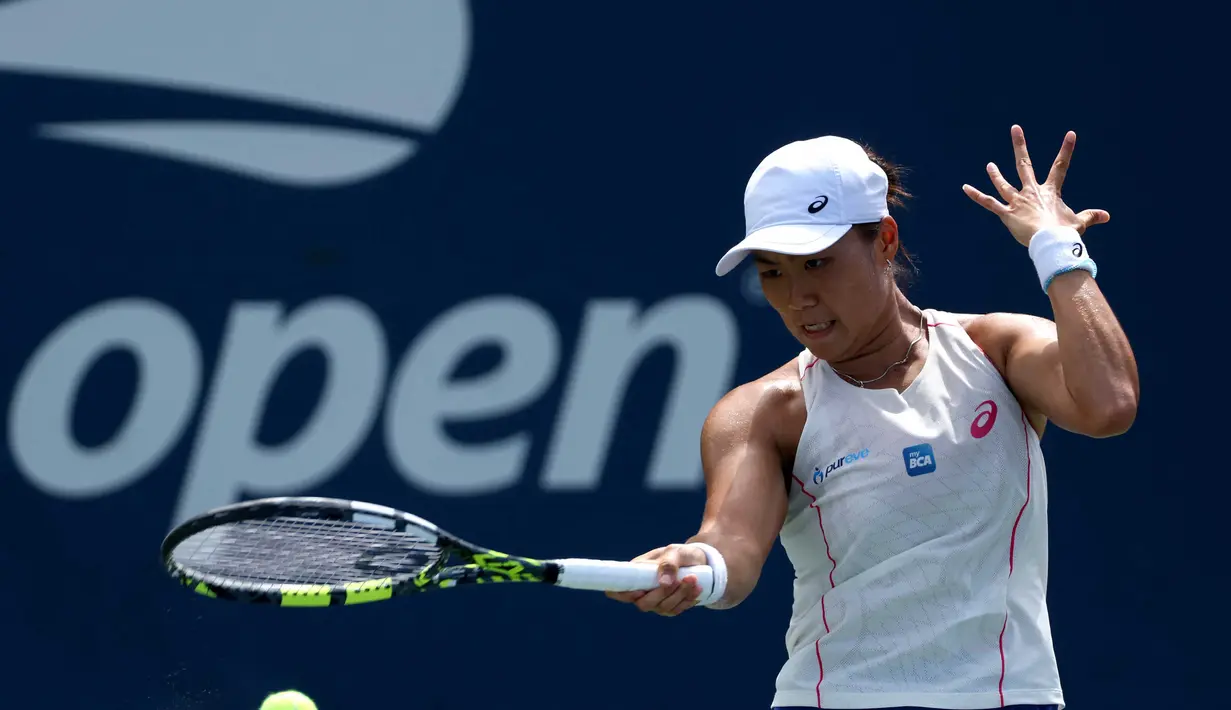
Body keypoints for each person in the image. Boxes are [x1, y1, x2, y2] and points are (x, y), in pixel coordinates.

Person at [605, 126, 1139, 710]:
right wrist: (695, 565)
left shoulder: (995, 350)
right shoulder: (767, 410)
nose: (796, 297)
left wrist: (1057, 249)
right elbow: (730, 548)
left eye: (817, 264)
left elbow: (1108, 405)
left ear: (885, 240)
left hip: (1013, 697)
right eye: (773, 271)